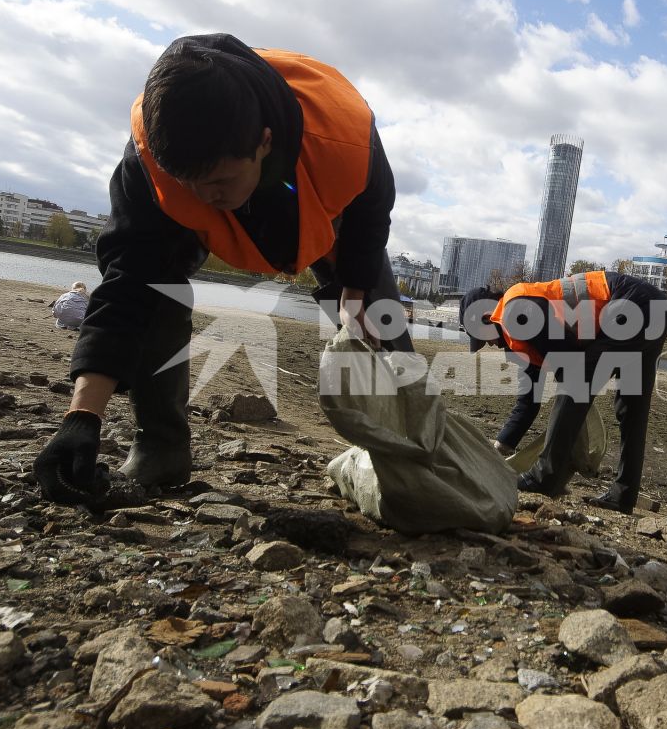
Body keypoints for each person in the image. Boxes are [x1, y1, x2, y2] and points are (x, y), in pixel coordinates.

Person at [34, 33, 410, 503]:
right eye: (187, 184)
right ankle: (160, 448)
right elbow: (126, 286)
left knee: (378, 324)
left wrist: (353, 291)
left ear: (264, 144)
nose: (203, 198)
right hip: (199, 221)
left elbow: (371, 216)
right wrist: (81, 419)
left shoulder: (343, 135)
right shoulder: (149, 162)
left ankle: (408, 455)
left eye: (218, 182)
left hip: (318, 206)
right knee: (154, 290)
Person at [463, 269, 667, 512]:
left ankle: (545, 478)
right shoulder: (518, 322)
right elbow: (529, 400)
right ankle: (623, 495)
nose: (488, 344)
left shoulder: (516, 309)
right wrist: (500, 448)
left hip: (632, 303)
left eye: (482, 337)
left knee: (578, 381)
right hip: (655, 308)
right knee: (631, 408)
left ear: (487, 317)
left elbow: (571, 364)